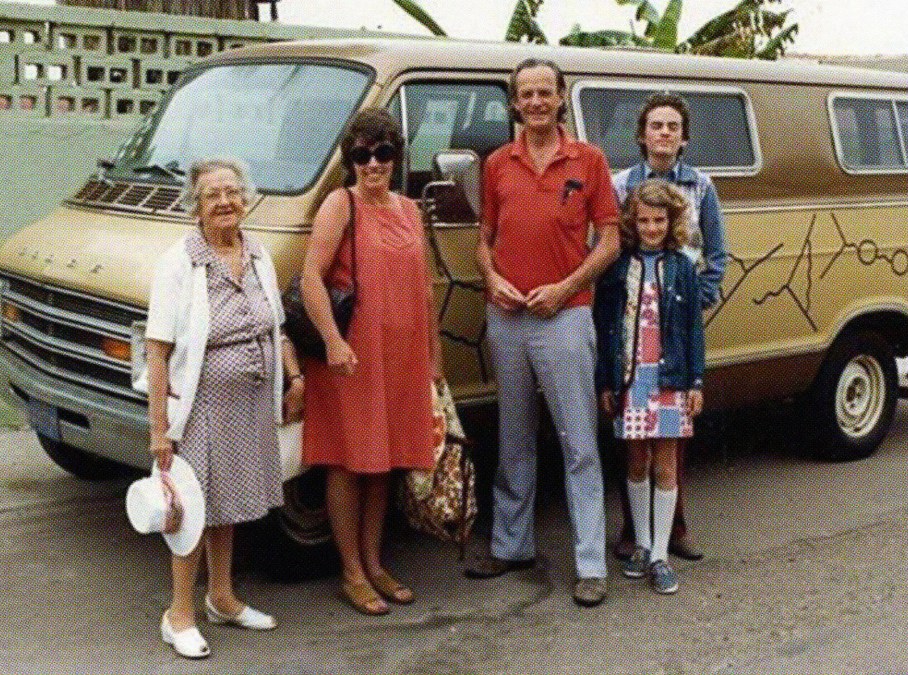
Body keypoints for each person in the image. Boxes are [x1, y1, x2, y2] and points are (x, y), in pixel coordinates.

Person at [464, 58, 620, 608]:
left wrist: (564, 287)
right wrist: (492, 277)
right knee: (514, 436)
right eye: (525, 94)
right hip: (507, 317)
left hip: (566, 314)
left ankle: (590, 562)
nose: (535, 102)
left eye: (544, 93)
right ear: (515, 103)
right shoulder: (497, 164)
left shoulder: (590, 161)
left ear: (560, 98)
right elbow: (484, 237)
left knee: (579, 442)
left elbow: (609, 242)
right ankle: (512, 546)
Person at [145, 157, 304, 659]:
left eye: (233, 192)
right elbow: (157, 349)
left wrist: (294, 379)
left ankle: (222, 597)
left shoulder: (257, 252)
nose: (225, 202)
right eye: (213, 195)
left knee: (227, 502)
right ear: (195, 205)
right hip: (200, 405)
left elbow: (275, 327)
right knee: (190, 506)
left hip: (251, 402)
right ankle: (179, 614)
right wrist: (159, 430)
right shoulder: (180, 261)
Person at [300, 108, 443, 616]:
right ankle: (352, 572)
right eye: (362, 154)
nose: (373, 163)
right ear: (351, 159)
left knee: (384, 461)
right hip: (353, 357)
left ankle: (374, 562)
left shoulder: (408, 209)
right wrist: (334, 342)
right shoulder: (341, 205)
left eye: (383, 152)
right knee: (347, 461)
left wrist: (434, 359)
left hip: (401, 356)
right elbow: (311, 278)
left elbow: (424, 288)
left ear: (395, 155)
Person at [610, 92, 727, 562]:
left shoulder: (701, 186)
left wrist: (692, 300)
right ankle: (633, 531)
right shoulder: (623, 185)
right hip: (634, 315)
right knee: (632, 431)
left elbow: (716, 253)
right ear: (642, 135)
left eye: (672, 127)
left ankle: (675, 527)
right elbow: (611, 242)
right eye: (655, 125)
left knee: (673, 430)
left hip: (679, 315)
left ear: (683, 138)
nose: (664, 133)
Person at [594, 178, 706, 595]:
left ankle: (660, 553)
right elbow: (607, 328)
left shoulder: (683, 267)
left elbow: (694, 327)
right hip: (631, 380)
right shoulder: (619, 268)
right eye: (643, 221)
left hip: (671, 380)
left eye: (659, 220)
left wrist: (696, 381)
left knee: (666, 465)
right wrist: (606, 380)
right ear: (632, 222)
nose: (652, 228)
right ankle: (641, 544)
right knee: (635, 463)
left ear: (671, 221)